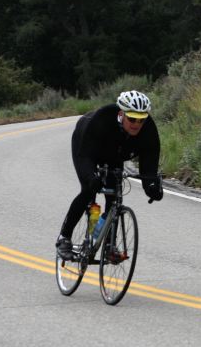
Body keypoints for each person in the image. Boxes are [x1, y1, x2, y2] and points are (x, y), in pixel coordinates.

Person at [56, 90, 163, 260]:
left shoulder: (148, 129)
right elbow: (85, 156)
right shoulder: (102, 120)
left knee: (113, 197)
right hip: (87, 146)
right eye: (132, 119)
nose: (136, 124)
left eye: (141, 120)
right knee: (88, 191)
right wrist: (92, 178)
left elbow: (149, 161)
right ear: (121, 114)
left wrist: (151, 186)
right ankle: (64, 238)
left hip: (115, 155)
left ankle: (108, 247)